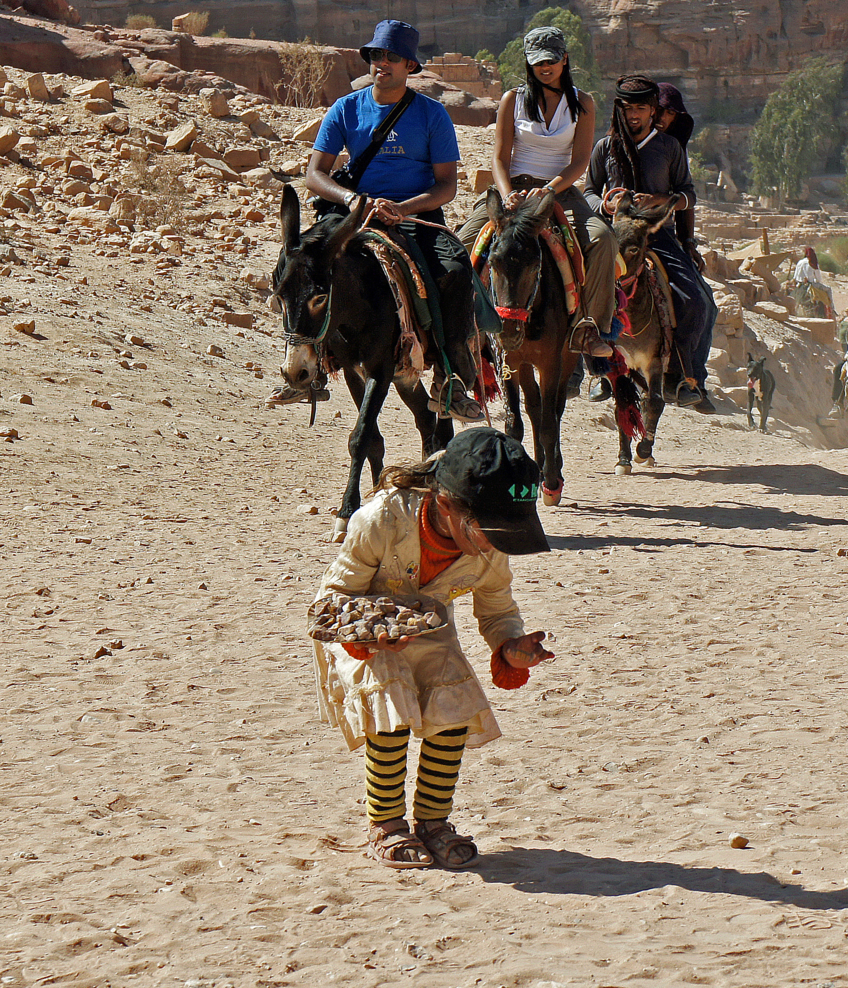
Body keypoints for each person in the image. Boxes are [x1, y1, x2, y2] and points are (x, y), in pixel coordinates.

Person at [311, 427, 555, 869]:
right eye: (487, 530)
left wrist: (510, 645)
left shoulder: (489, 546)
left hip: (430, 629)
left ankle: (433, 823)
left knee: (455, 707)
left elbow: (496, 608)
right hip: (363, 631)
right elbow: (332, 600)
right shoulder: (382, 520)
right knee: (389, 701)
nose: (495, 542)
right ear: (446, 506)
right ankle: (384, 825)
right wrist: (370, 633)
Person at [303, 19, 484, 423]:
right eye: (376, 55)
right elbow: (315, 174)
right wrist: (353, 199)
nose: (382, 63)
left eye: (392, 57)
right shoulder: (346, 108)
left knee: (454, 271)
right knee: (301, 262)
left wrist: (403, 209)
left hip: (415, 215)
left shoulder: (432, 115)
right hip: (353, 211)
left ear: (409, 66)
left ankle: (450, 379)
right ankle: (306, 363)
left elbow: (446, 186)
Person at [457, 26, 617, 361]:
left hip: (558, 190)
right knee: (462, 244)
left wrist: (547, 190)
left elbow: (579, 163)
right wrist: (508, 193)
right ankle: (459, 326)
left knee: (603, 240)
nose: (545, 67)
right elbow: (500, 158)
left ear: (564, 59)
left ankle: (592, 328)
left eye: (551, 60)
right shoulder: (512, 100)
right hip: (513, 188)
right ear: (529, 64)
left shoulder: (582, 103)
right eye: (537, 62)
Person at [586, 74, 718, 412]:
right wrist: (605, 205)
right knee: (580, 292)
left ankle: (684, 377)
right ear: (618, 109)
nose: (633, 115)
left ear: (651, 110)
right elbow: (587, 192)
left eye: (641, 108)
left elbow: (688, 194)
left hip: (658, 237)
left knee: (697, 300)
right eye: (627, 108)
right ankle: (592, 371)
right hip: (615, 238)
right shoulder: (605, 148)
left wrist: (665, 200)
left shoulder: (669, 148)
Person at [791, 247, 834, 319]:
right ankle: (832, 308)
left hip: (799, 284)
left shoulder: (800, 262)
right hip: (810, 284)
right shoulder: (812, 262)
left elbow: (795, 276)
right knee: (828, 289)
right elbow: (818, 279)